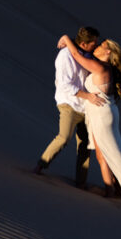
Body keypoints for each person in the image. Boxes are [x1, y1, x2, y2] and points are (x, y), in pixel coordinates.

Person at [58, 34, 121, 207]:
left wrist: (67, 39)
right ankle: (116, 189)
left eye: (101, 45)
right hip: (102, 114)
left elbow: (76, 55)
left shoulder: (101, 68)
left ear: (107, 51)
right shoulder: (105, 66)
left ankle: (118, 192)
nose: (97, 46)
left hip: (102, 115)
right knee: (106, 153)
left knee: (109, 154)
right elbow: (83, 57)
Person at [33, 26, 98, 186]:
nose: (95, 46)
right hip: (69, 104)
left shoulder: (88, 56)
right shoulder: (65, 56)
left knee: (85, 145)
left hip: (86, 108)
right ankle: (40, 166)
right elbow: (65, 85)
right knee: (63, 137)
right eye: (93, 43)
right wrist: (88, 96)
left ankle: (81, 182)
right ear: (83, 44)